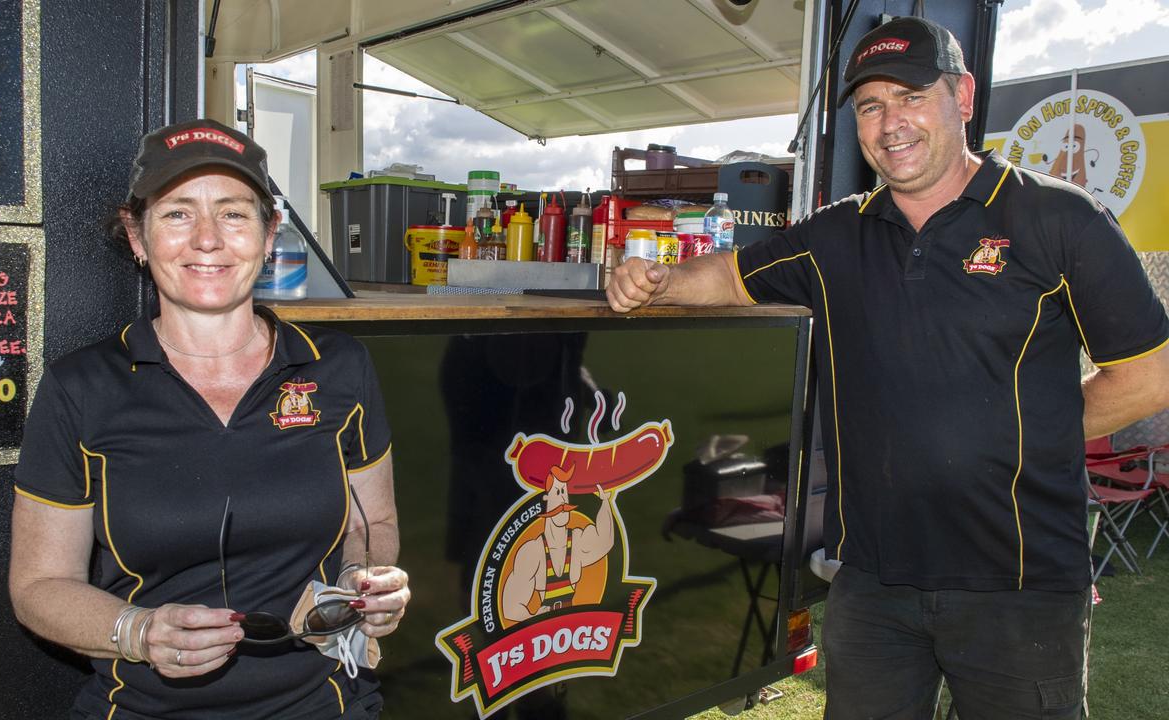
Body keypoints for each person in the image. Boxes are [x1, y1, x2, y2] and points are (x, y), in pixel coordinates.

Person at [608, 16, 1169, 720]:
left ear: (963, 98)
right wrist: (658, 282)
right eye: (871, 106)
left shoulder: (1058, 219)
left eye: (910, 96)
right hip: (872, 584)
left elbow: (1148, 377)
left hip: (1018, 584)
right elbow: (728, 275)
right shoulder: (836, 235)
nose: (889, 122)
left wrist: (1017, 433)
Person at [8, 119, 411, 720]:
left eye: (233, 213)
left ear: (270, 233)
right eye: (176, 214)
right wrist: (137, 632)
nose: (207, 240)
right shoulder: (82, 388)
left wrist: (363, 581)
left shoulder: (340, 368)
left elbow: (370, 519)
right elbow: (39, 587)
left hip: (326, 704)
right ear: (137, 236)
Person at [501, 464, 615, 621]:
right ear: (546, 498)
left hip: (571, 630)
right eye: (558, 492)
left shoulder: (576, 541)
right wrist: (536, 616)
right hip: (544, 634)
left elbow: (604, 542)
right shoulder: (533, 551)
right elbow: (510, 608)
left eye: (565, 493)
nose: (563, 499)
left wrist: (604, 502)